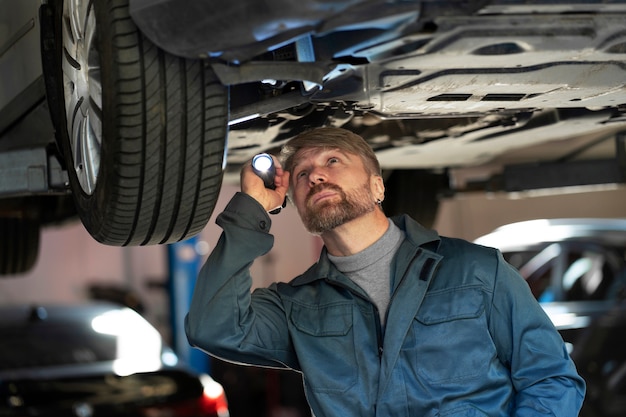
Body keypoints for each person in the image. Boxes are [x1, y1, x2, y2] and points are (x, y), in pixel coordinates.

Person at [185, 127, 586, 416]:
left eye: (332, 161)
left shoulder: (475, 270)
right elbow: (212, 328)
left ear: (378, 186)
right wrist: (252, 210)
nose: (315, 175)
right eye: (302, 174)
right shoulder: (297, 306)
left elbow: (551, 378)